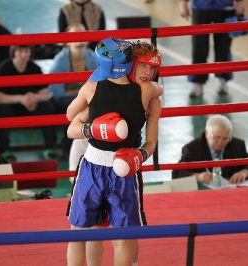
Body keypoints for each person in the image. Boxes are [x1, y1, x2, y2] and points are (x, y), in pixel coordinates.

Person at [66, 38, 163, 266]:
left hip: (124, 167)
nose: (149, 72)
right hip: (94, 165)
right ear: (131, 64)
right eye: (143, 65)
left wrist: (141, 156)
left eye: (153, 67)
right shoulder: (144, 92)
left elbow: (151, 143)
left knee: (122, 237)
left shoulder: (146, 94)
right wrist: (93, 130)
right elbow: (73, 125)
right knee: (85, 233)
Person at [0, 45, 58, 162]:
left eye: (26, 51)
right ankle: (3, 149)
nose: (24, 55)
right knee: (1, 109)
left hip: (30, 106)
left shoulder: (34, 68)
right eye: (20, 51)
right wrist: (21, 99)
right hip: (11, 106)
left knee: (47, 106)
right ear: (13, 52)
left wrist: (33, 98)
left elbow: (45, 94)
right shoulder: (4, 68)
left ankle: (50, 147)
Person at [48, 22, 97, 159]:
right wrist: (81, 96)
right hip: (64, 100)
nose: (79, 38)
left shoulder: (92, 58)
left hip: (82, 99)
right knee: (76, 106)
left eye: (82, 34)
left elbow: (99, 85)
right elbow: (57, 92)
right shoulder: (60, 60)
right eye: (75, 35)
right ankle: (67, 146)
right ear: (67, 42)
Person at [179, 0, 245, 97]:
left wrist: (239, 2)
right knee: (199, 46)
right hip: (200, 7)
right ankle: (197, 82)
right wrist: (183, 3)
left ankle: (223, 80)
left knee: (224, 46)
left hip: (225, 7)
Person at [172, 114, 248, 184]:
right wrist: (197, 177)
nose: (221, 142)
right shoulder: (192, 149)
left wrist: (245, 172)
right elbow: (176, 173)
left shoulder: (236, 145)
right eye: (217, 137)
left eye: (225, 138)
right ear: (207, 133)